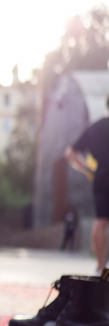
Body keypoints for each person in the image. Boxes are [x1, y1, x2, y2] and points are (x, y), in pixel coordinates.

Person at [64, 94, 109, 275]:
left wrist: (88, 170)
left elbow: (70, 153)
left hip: (101, 177)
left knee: (100, 222)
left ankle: (101, 270)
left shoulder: (95, 127)